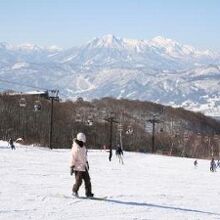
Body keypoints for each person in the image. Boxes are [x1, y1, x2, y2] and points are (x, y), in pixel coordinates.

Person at [70, 132, 94, 198]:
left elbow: (84, 156)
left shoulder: (83, 147)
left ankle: (88, 193)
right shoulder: (75, 148)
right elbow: (73, 157)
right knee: (79, 181)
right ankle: (74, 191)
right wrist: (72, 166)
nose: (84, 141)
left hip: (84, 166)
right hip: (78, 167)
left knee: (87, 180)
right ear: (80, 139)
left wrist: (87, 162)